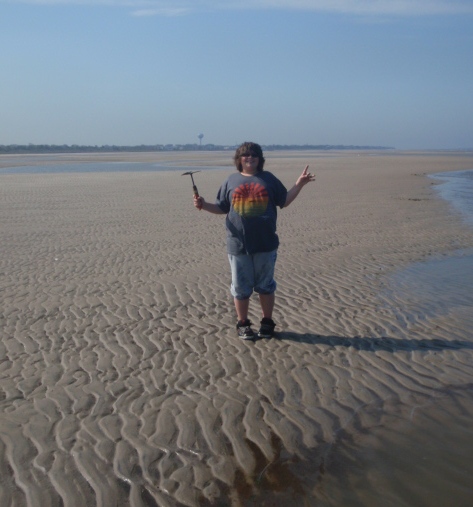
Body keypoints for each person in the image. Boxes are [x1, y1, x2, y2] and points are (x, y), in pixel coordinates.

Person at [194, 141, 315, 339]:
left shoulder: (268, 179)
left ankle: (267, 323)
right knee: (241, 288)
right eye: (245, 155)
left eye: (254, 155)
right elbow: (221, 208)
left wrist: (299, 184)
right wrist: (203, 205)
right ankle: (243, 324)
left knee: (265, 286)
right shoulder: (231, 181)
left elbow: (284, 200)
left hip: (266, 243)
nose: (250, 158)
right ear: (239, 159)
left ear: (260, 159)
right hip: (238, 245)